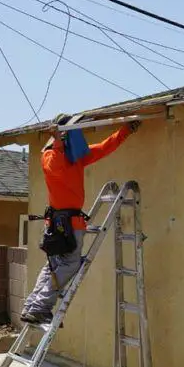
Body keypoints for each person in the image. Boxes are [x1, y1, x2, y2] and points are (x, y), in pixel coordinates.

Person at [20, 116, 139, 325]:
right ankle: (39, 307)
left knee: (54, 267)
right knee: (69, 264)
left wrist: (125, 131)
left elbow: (104, 147)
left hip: (63, 224)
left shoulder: (76, 157)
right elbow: (54, 168)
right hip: (64, 225)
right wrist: (56, 141)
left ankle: (33, 307)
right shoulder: (50, 155)